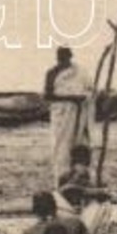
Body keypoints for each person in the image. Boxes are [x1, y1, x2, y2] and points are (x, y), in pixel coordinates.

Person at [44, 46, 94, 186]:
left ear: (70, 57)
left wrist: (84, 98)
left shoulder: (79, 72)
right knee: (61, 145)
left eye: (65, 57)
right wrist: (72, 98)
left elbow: (90, 89)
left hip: (79, 112)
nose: (63, 60)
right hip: (61, 114)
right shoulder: (52, 73)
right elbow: (48, 96)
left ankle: (79, 174)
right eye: (61, 57)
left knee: (80, 143)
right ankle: (62, 175)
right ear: (58, 58)